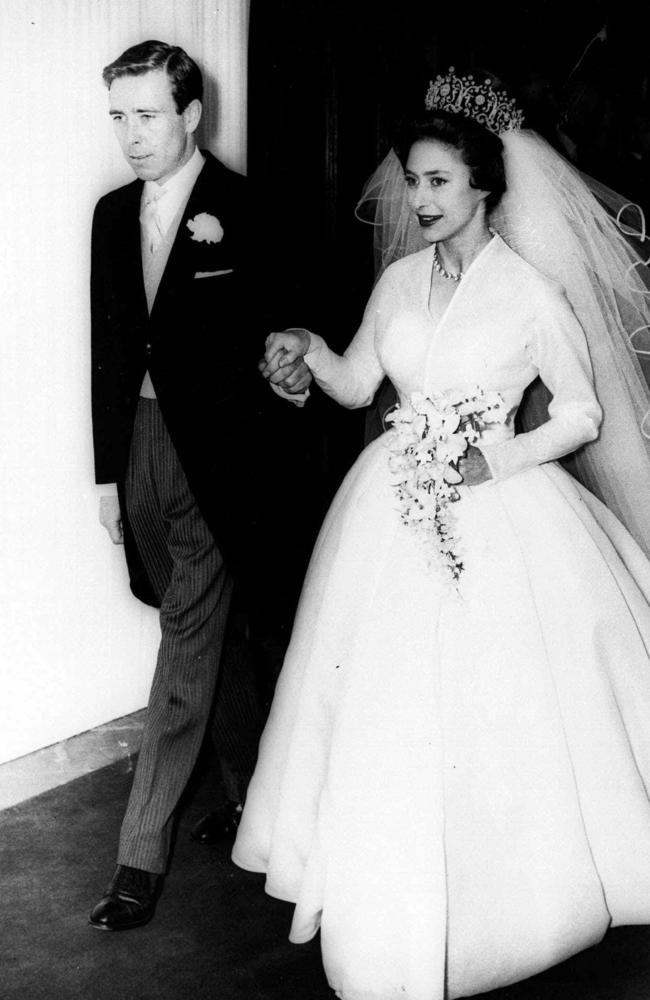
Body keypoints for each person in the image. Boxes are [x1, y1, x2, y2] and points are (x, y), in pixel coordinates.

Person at [232, 67, 650, 999]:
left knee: (500, 705)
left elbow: (581, 415)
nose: (417, 199)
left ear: (484, 189)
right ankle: (385, 885)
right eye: (411, 180)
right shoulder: (396, 282)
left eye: (436, 183)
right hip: (390, 510)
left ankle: (513, 895)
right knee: (387, 699)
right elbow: (354, 384)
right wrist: (301, 355)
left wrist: (489, 461)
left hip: (502, 515)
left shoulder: (532, 294)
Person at [88, 39, 310, 932]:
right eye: (119, 118)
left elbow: (288, 328)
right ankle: (253, 791)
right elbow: (106, 352)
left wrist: (288, 359)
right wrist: (107, 476)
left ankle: (139, 858)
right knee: (194, 620)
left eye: (148, 116)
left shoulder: (244, 209)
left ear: (190, 116)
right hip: (137, 446)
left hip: (217, 462)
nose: (132, 138)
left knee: (183, 647)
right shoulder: (109, 215)